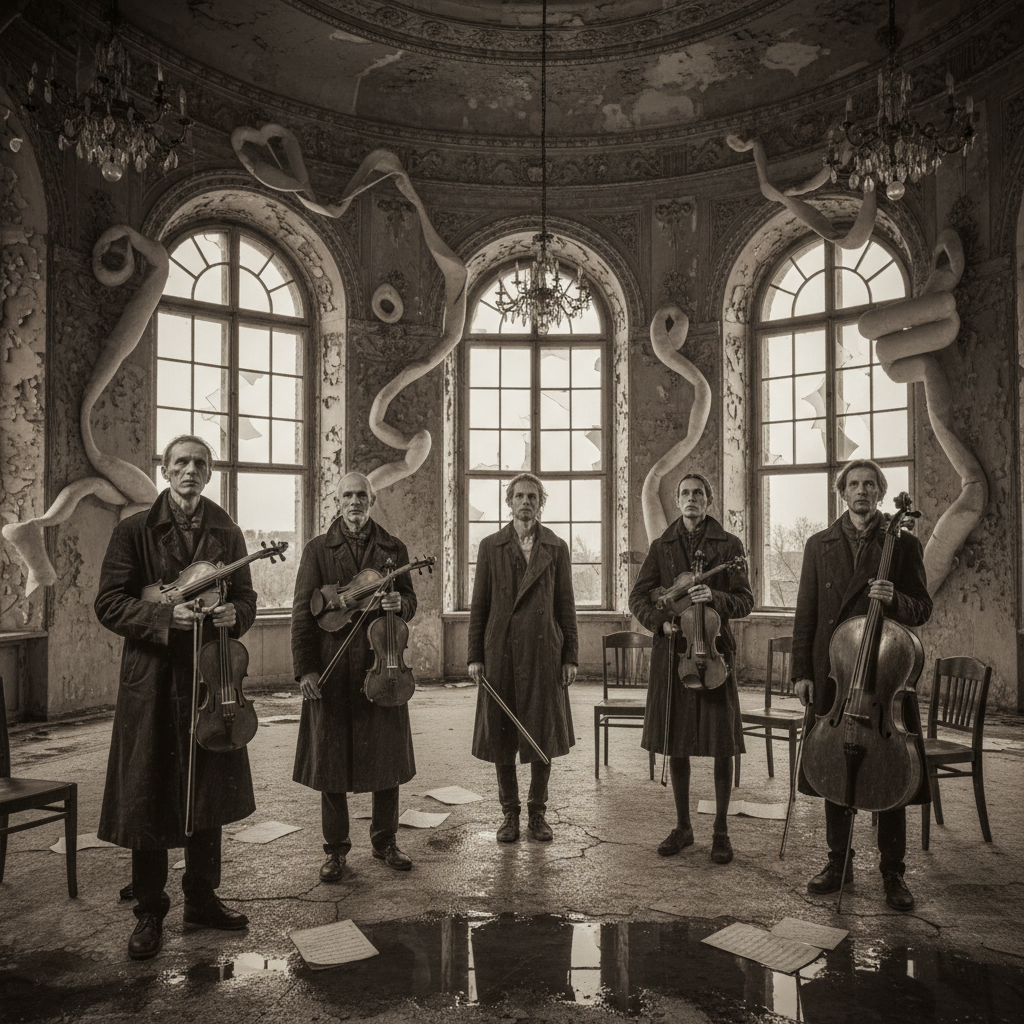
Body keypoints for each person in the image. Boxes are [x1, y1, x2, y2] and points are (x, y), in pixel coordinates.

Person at [95, 435, 257, 961]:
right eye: (181, 462)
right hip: (154, 680)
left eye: (201, 464)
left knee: (206, 788)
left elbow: (246, 597)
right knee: (149, 790)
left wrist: (239, 616)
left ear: (210, 474)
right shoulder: (133, 530)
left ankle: (202, 897)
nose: (191, 470)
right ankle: (148, 910)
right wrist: (166, 616)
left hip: (211, 679)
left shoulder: (227, 531)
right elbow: (110, 604)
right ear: (165, 470)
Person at [792, 458, 932, 911]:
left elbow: (923, 608)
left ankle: (893, 873)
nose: (862, 491)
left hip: (884, 674)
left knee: (890, 769)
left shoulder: (904, 545)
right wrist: (802, 672)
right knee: (834, 764)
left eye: (870, 484)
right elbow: (806, 615)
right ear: (842, 492)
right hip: (836, 668)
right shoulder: (819, 544)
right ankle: (839, 862)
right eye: (853, 484)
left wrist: (897, 600)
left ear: (881, 492)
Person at [290, 471, 417, 881]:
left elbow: (411, 601)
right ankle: (336, 850)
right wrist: (306, 669)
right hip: (332, 669)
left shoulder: (393, 549)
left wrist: (401, 602)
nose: (355, 501)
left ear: (373, 499)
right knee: (331, 764)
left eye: (362, 494)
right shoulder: (316, 550)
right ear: (337, 500)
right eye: (347, 495)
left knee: (387, 758)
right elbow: (301, 615)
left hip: (383, 664)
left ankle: (386, 841)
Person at [628, 472, 752, 865]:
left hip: (714, 654)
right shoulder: (661, 546)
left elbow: (745, 601)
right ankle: (683, 826)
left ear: (709, 500)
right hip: (676, 653)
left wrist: (714, 595)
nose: (691, 499)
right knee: (677, 743)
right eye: (685, 493)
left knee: (720, 747)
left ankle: (720, 831)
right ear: (678, 500)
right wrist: (660, 624)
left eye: (699, 493)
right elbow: (637, 597)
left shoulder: (730, 545)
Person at [468, 473, 578, 843]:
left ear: (540, 503)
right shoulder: (489, 546)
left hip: (544, 654)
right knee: (502, 735)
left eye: (532, 496)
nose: (526, 502)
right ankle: (509, 815)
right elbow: (479, 606)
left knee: (541, 734)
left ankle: (537, 814)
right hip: (499, 652)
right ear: (509, 502)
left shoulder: (556, 547)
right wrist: (474, 657)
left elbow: (566, 606)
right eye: (519, 496)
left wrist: (570, 658)